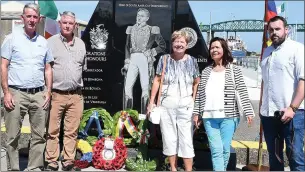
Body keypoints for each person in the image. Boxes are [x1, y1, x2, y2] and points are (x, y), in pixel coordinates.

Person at [1, 3, 53, 171]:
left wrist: (48, 92)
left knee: (39, 136)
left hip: (38, 94)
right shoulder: (11, 39)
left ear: (39, 19)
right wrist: (6, 92)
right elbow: (3, 66)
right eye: (28, 16)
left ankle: (35, 167)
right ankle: (14, 168)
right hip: (16, 93)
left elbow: (48, 69)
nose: (31, 20)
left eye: (34, 17)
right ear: (22, 18)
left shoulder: (44, 42)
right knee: (12, 136)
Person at [193, 37, 254, 171]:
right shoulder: (206, 71)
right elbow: (200, 94)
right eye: (212, 48)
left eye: (217, 47)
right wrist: (196, 113)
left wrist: (248, 111)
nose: (214, 50)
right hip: (209, 116)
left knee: (225, 149)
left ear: (224, 49)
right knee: (216, 149)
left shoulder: (234, 70)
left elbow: (242, 90)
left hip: (229, 116)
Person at [147, 30, 200, 171]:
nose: (179, 44)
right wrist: (151, 101)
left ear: (187, 45)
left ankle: (188, 169)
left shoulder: (192, 61)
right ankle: (173, 168)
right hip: (167, 104)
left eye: (182, 42)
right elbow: (157, 80)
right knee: (169, 137)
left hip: (186, 105)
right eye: (176, 41)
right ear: (172, 44)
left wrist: (194, 101)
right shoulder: (164, 59)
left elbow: (196, 83)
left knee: (186, 138)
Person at [260, 16, 304, 171]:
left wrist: (292, 108)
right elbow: (266, 83)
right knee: (274, 158)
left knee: (296, 157)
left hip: (291, 114)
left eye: (277, 29)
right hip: (269, 114)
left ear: (286, 30)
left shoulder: (297, 49)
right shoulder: (266, 52)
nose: (274, 33)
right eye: (271, 30)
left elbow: (303, 81)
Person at [44, 11, 86, 171]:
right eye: (64, 22)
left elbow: (82, 68)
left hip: (75, 95)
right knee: (53, 131)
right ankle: (52, 161)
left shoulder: (81, 44)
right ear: (60, 24)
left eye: (71, 23)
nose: (68, 25)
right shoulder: (50, 43)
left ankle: (68, 160)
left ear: (75, 26)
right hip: (56, 94)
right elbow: (45, 68)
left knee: (71, 131)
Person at [121, 8, 166, 114]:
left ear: (147, 18)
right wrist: (127, 61)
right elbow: (127, 46)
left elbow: (162, 45)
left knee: (145, 87)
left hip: (144, 59)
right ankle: (127, 115)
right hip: (133, 58)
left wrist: (151, 52)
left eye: (141, 16)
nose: (139, 18)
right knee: (127, 87)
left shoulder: (152, 29)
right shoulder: (131, 29)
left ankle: (144, 115)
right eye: (138, 15)